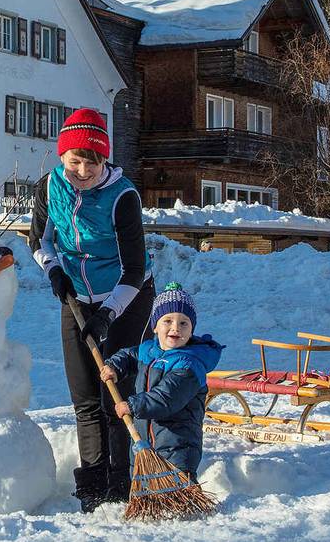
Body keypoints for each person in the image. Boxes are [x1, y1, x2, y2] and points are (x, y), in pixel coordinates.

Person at [30, 108, 153, 512]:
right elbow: (39, 240)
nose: (83, 171)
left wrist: (108, 314)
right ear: (62, 156)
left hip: (126, 297)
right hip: (76, 296)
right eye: (75, 161)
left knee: (113, 392)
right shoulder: (50, 187)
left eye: (92, 162)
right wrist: (53, 271)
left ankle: (120, 481)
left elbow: (134, 270)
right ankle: (93, 482)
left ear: (104, 161)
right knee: (84, 395)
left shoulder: (123, 197)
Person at [99, 284, 223, 480]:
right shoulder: (149, 350)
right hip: (144, 442)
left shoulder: (189, 365)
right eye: (168, 321)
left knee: (175, 487)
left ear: (192, 330)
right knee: (145, 486)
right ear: (155, 327)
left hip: (177, 446)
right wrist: (115, 366)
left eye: (184, 323)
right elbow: (129, 355)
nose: (176, 328)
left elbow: (166, 398)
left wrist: (132, 405)